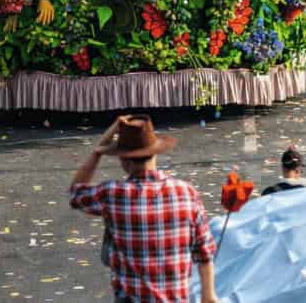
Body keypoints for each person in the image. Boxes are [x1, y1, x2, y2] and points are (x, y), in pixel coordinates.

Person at [69, 116, 218, 303]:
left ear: (124, 159)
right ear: (155, 153)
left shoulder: (113, 194)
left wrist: (98, 150)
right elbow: (204, 251)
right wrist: (208, 295)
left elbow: (75, 194)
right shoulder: (186, 192)